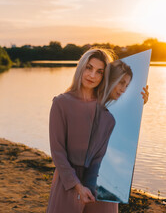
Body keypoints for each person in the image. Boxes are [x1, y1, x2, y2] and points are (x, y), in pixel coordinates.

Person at [46, 50, 148, 213]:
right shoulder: (61, 103)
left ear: (104, 76)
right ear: (80, 68)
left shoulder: (108, 111)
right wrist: (77, 186)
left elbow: (122, 136)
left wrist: (138, 104)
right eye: (89, 68)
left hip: (101, 181)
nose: (92, 75)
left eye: (99, 72)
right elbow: (58, 152)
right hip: (68, 181)